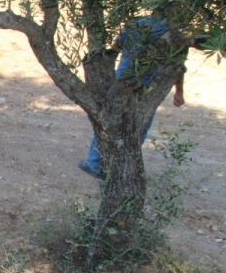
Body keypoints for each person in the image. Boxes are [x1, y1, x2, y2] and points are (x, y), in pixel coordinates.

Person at [77, 16, 185, 179]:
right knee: (140, 126)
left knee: (107, 122)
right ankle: (124, 166)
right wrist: (179, 91)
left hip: (122, 81)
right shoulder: (174, 33)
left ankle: (95, 164)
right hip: (149, 86)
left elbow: (115, 49)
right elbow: (177, 66)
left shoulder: (136, 24)